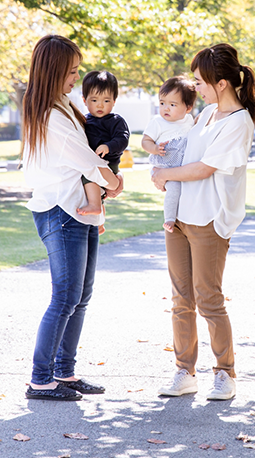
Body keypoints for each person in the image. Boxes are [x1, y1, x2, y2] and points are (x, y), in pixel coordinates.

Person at [151, 44, 255, 401]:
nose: (196, 88)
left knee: (208, 299)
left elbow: (204, 168)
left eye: (201, 81)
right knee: (181, 299)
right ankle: (184, 372)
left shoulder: (238, 121)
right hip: (181, 219)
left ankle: (225, 374)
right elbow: (186, 150)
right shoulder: (207, 114)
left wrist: (165, 174)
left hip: (208, 220)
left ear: (222, 83)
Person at [21, 35, 124, 401]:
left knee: (80, 296)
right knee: (65, 297)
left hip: (79, 210)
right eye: (72, 72)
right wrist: (115, 182)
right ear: (53, 72)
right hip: (61, 212)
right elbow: (88, 161)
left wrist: (106, 187)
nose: (75, 80)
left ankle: (64, 373)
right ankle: (40, 378)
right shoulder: (50, 116)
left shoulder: (62, 105)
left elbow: (93, 159)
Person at [141, 76, 197, 233]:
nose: (166, 108)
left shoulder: (189, 121)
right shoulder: (157, 122)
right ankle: (170, 219)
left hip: (181, 167)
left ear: (188, 108)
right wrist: (155, 148)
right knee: (174, 188)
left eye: (172, 105)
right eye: (162, 103)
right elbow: (145, 141)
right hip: (163, 166)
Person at [78, 70, 130, 217]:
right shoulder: (83, 121)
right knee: (96, 191)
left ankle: (95, 206)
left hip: (108, 163)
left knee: (89, 177)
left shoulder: (116, 121)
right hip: (93, 162)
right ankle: (99, 221)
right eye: (94, 101)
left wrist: (108, 146)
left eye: (106, 101)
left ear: (114, 101)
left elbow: (123, 139)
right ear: (84, 100)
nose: (100, 105)